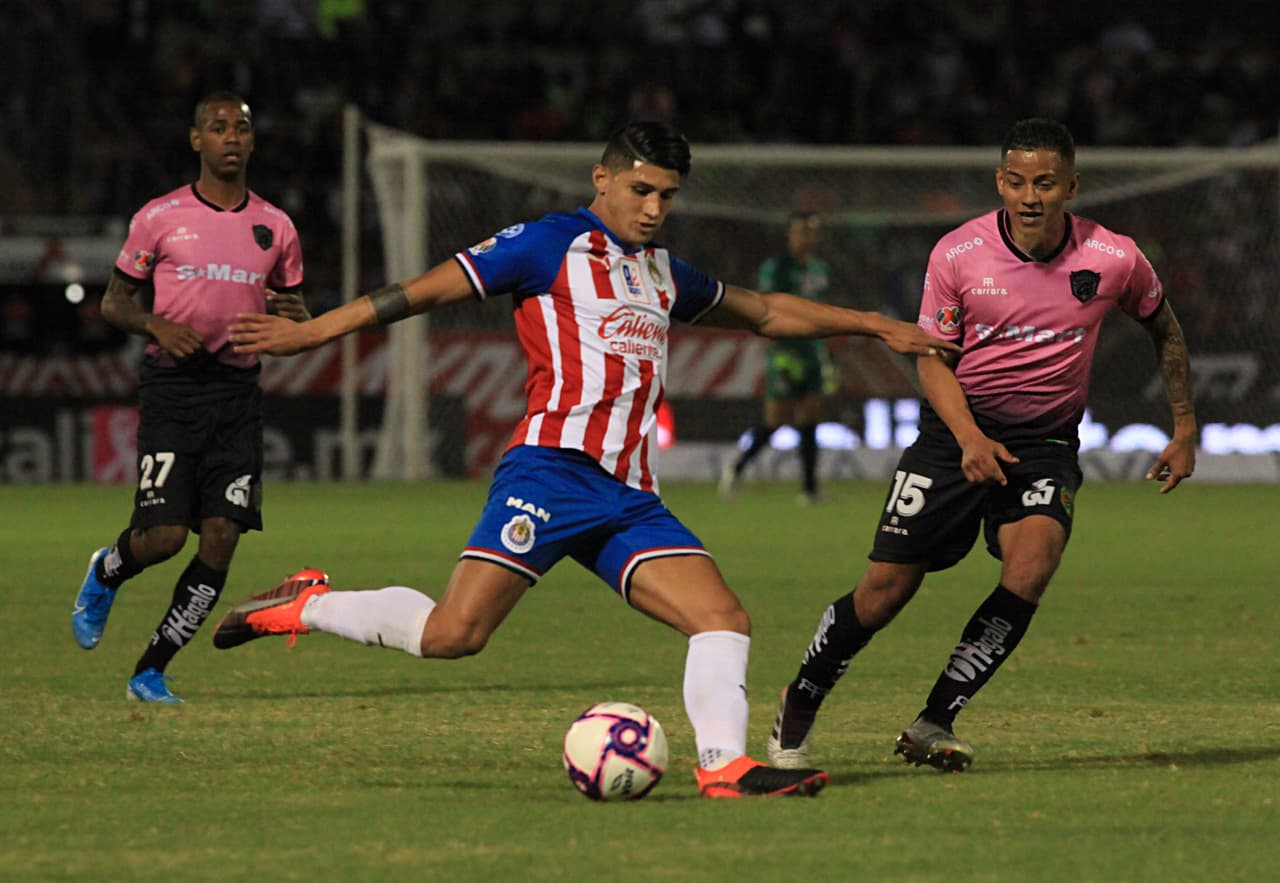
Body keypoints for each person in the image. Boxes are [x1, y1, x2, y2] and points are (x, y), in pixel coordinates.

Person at [211, 121, 958, 797]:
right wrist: (313, 336)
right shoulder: (546, 244)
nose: (655, 207)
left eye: (667, 194)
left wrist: (871, 324)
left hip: (629, 493)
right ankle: (301, 604)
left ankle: (723, 764)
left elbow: (765, 311)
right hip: (551, 470)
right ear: (602, 180)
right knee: (453, 635)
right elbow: (419, 292)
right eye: (641, 189)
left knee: (721, 616)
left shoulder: (664, 271)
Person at [767, 118, 1196, 773]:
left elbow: (1163, 329)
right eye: (1017, 182)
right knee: (883, 591)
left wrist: (1185, 426)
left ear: (1071, 187)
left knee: (1032, 563)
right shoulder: (958, 254)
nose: (1030, 196)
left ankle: (934, 721)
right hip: (952, 436)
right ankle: (798, 704)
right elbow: (932, 359)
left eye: (1046, 183)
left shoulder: (1114, 257)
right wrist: (969, 437)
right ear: (1000, 182)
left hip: (1045, 442)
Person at [71, 91, 309, 703]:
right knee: (165, 538)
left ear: (252, 143)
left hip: (237, 392)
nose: (231, 136)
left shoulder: (277, 227)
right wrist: (156, 324)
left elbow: (296, 310)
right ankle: (108, 570)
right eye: (218, 127)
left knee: (223, 535)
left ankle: (151, 670)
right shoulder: (159, 217)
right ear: (196, 140)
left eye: (242, 128)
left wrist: (292, 318)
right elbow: (113, 304)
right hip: (173, 390)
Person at [720, 211, 836, 504]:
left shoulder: (820, 269)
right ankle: (735, 467)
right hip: (785, 353)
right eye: (800, 232)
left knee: (811, 417)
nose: (805, 238)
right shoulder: (777, 268)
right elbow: (767, 308)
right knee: (776, 420)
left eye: (810, 232)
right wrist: (780, 350)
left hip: (812, 353)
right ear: (789, 235)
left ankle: (809, 490)